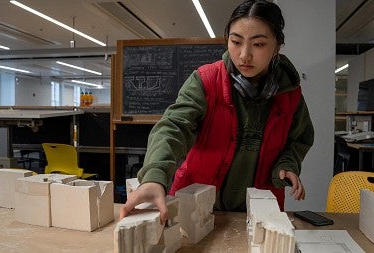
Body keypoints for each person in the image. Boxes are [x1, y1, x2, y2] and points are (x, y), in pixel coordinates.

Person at [120, 0, 314, 224]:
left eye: (258, 44)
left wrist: (287, 165)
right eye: (236, 41)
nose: (244, 55)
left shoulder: (289, 93)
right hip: (196, 206)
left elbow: (298, 140)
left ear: (277, 46)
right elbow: (174, 126)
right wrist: (154, 176)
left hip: (260, 210)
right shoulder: (206, 80)